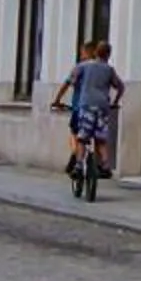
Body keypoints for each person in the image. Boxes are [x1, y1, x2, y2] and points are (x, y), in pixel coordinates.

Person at [50, 39, 123, 183]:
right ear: (108, 55)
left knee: (82, 138)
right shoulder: (109, 70)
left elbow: (67, 82)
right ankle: (106, 165)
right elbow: (120, 87)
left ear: (96, 52)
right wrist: (114, 102)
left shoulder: (83, 66)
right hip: (102, 108)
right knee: (100, 139)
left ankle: (78, 166)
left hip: (86, 106)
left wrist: (57, 100)